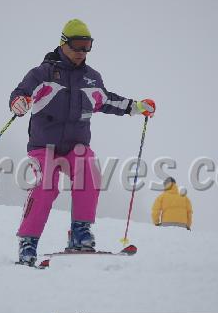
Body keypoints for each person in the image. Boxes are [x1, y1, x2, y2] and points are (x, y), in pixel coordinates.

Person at [10, 18, 156, 266]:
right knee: (46, 185)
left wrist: (137, 107)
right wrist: (19, 103)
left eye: (87, 46)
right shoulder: (43, 74)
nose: (82, 51)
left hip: (76, 147)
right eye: (77, 45)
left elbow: (108, 100)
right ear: (63, 44)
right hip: (43, 147)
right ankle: (28, 243)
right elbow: (20, 93)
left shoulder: (91, 78)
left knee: (90, 173)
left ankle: (80, 233)